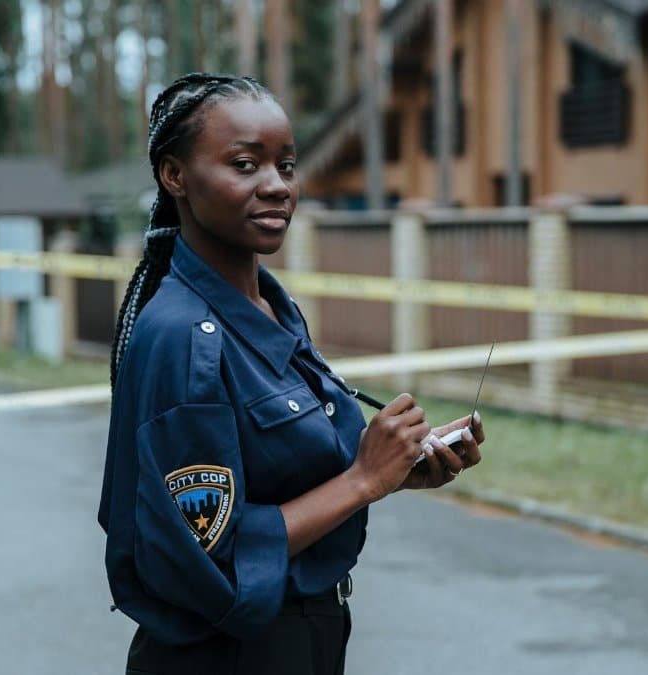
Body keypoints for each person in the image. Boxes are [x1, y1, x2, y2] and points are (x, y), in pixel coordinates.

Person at [97, 73, 485, 675]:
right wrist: (360, 480)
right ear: (174, 176)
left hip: (304, 640)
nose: (276, 186)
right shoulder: (183, 336)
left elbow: (281, 478)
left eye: (286, 165)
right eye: (245, 165)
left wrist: (394, 469)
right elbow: (209, 556)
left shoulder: (271, 309)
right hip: (231, 655)